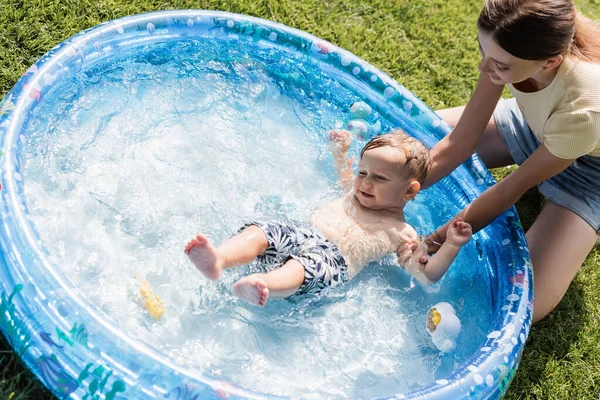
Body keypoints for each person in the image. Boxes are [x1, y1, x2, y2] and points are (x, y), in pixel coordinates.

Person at [419, 0, 600, 323]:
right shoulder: (506, 52)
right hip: (535, 126)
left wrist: (432, 243)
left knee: (522, 302)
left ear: (551, 62)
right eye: (483, 51)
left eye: (501, 66)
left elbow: (508, 192)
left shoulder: (585, 108)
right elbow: (459, 142)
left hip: (591, 174)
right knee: (406, 147)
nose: (485, 70)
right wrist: (399, 190)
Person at [184, 129, 473, 307]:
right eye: (363, 173)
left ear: (409, 191)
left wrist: (451, 245)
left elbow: (426, 275)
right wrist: (340, 153)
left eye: (379, 178)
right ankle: (219, 258)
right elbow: (344, 178)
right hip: (302, 232)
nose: (364, 183)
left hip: (335, 259)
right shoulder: (353, 192)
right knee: (264, 230)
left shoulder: (403, 233)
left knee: (305, 266)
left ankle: (264, 285)